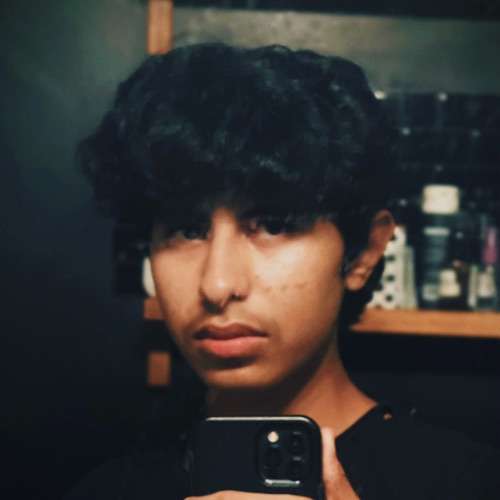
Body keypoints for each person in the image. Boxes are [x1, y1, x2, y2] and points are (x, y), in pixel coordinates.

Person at [66, 43, 500, 499]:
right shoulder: (108, 491)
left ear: (363, 253)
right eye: (187, 230)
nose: (217, 284)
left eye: (272, 225)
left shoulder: (469, 485)